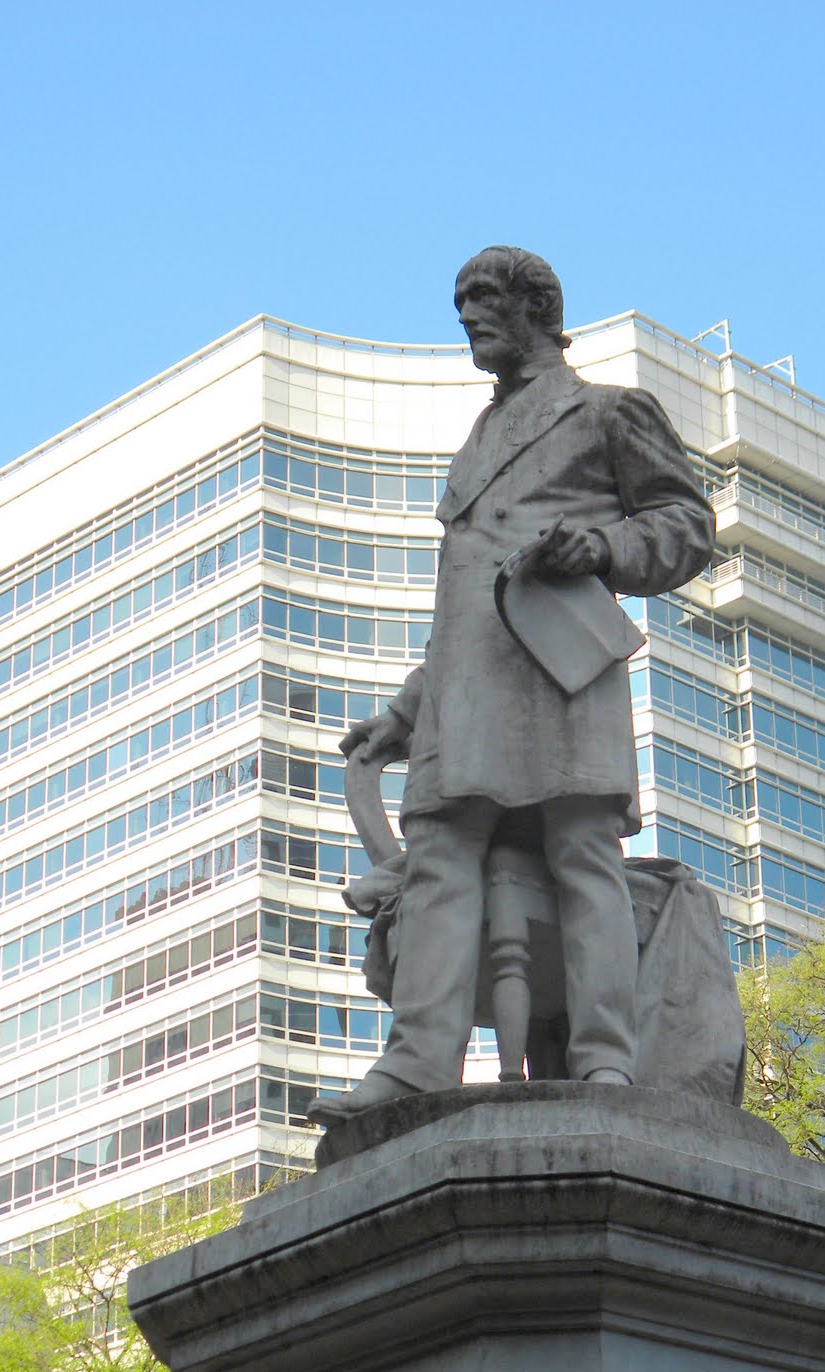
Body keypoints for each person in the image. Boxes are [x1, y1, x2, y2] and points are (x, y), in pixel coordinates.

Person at [306, 247, 714, 1125]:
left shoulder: (607, 411)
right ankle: (418, 1064)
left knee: (581, 857)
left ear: (538, 306)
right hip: (464, 698)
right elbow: (462, 608)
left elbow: (686, 526)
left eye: (484, 298)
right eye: (461, 302)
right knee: (441, 866)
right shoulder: (478, 435)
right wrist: (408, 711)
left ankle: (608, 1064)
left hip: (562, 675)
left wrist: (602, 548)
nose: (468, 317)